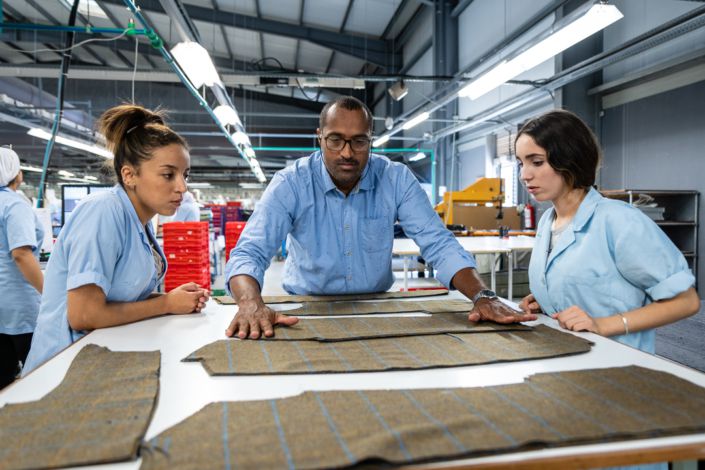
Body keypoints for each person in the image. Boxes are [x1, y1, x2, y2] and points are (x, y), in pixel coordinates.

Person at [224, 96, 536, 339]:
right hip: (306, 309)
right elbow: (251, 251)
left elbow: (438, 243)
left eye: (359, 141)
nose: (347, 152)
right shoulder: (291, 183)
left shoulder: (395, 179)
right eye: (335, 140)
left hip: (378, 307)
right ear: (318, 137)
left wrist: (482, 295)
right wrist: (251, 303)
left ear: (371, 139)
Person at [23, 104, 210, 373]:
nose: (182, 187)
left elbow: (122, 295)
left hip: (99, 358)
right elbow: (83, 315)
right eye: (168, 174)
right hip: (62, 368)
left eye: (185, 175)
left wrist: (172, 298)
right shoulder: (103, 212)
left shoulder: (139, 222)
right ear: (129, 175)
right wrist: (166, 304)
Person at [516, 109, 699, 353]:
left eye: (537, 162)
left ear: (570, 159)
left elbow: (685, 301)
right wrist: (546, 298)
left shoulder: (618, 220)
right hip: (563, 357)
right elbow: (593, 286)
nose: (524, 175)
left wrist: (603, 325)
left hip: (618, 364)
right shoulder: (547, 222)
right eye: (521, 163)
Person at [0, 148, 44, 388]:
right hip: (20, 308)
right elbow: (21, 254)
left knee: (3, 380)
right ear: (12, 173)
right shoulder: (14, 204)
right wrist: (49, 295)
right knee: (41, 375)